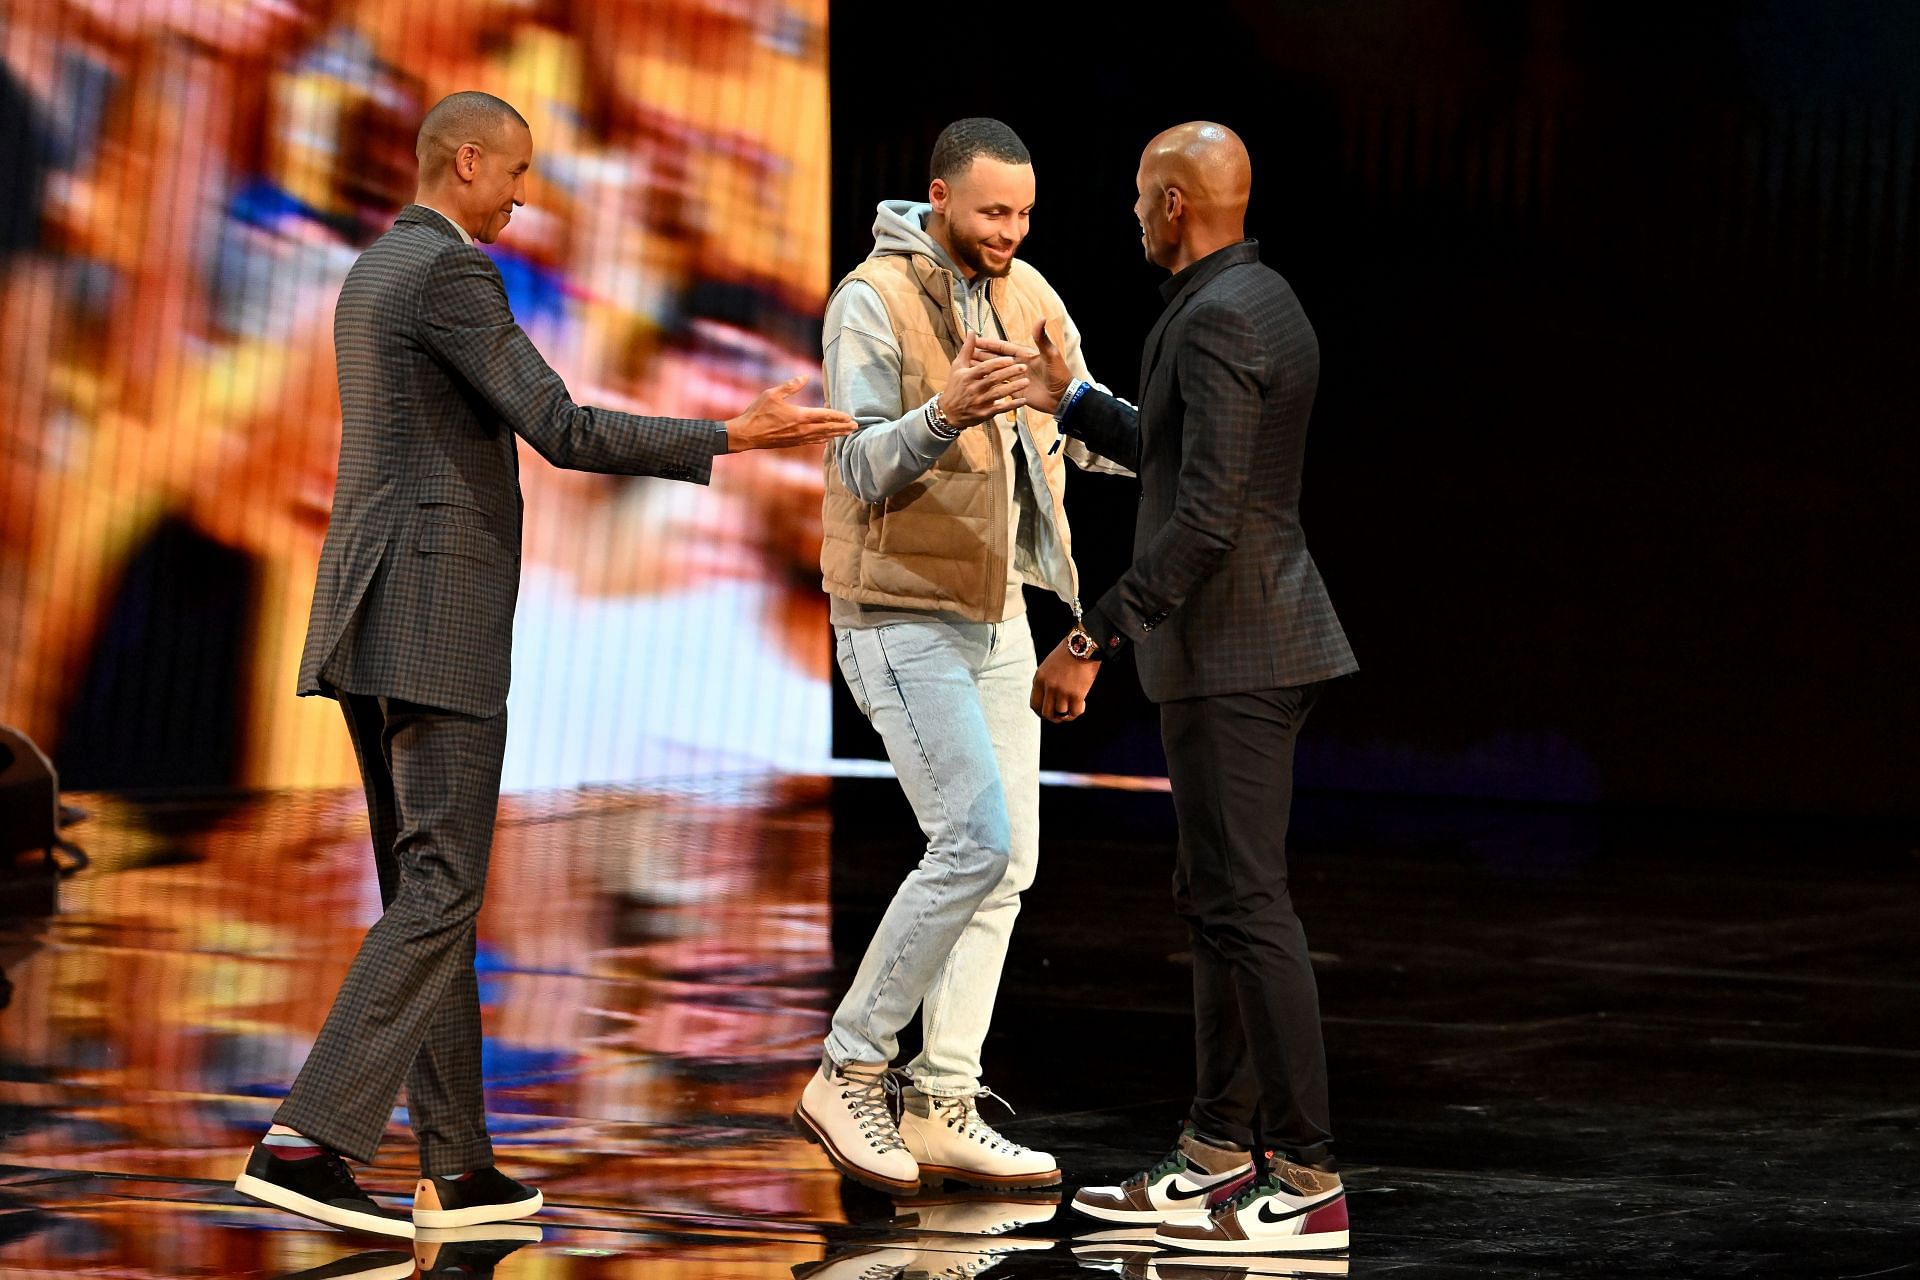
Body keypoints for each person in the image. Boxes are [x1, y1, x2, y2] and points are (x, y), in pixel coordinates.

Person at [231, 90, 853, 1239]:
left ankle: (458, 1163)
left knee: (433, 890)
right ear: (466, 160)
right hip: (433, 619)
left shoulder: (375, 267)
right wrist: (732, 433)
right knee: (440, 889)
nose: (525, 196)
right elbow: (561, 426)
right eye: (516, 172)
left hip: (373, 616)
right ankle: (305, 1140)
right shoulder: (453, 274)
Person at [1026, 122, 1357, 1254]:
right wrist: (1069, 397)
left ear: (1173, 204)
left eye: (1137, 197)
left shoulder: (1217, 317)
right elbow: (1177, 456)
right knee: (1219, 906)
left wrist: (1093, 634)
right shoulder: (1259, 297)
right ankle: (1218, 1151)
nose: (1130, 215)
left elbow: (1207, 517)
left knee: (1249, 910)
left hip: (1237, 653)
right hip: (1251, 644)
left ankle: (1307, 1175)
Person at [793, 118, 1123, 1194]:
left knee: (1008, 861)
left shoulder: (1030, 296)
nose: (1010, 232)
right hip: (898, 614)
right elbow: (854, 462)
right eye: (992, 213)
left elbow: (1077, 433)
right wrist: (942, 414)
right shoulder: (870, 302)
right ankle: (848, 1070)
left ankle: (941, 1096)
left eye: (1023, 213)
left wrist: (1106, 417)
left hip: (998, 615)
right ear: (938, 197)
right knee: (970, 838)